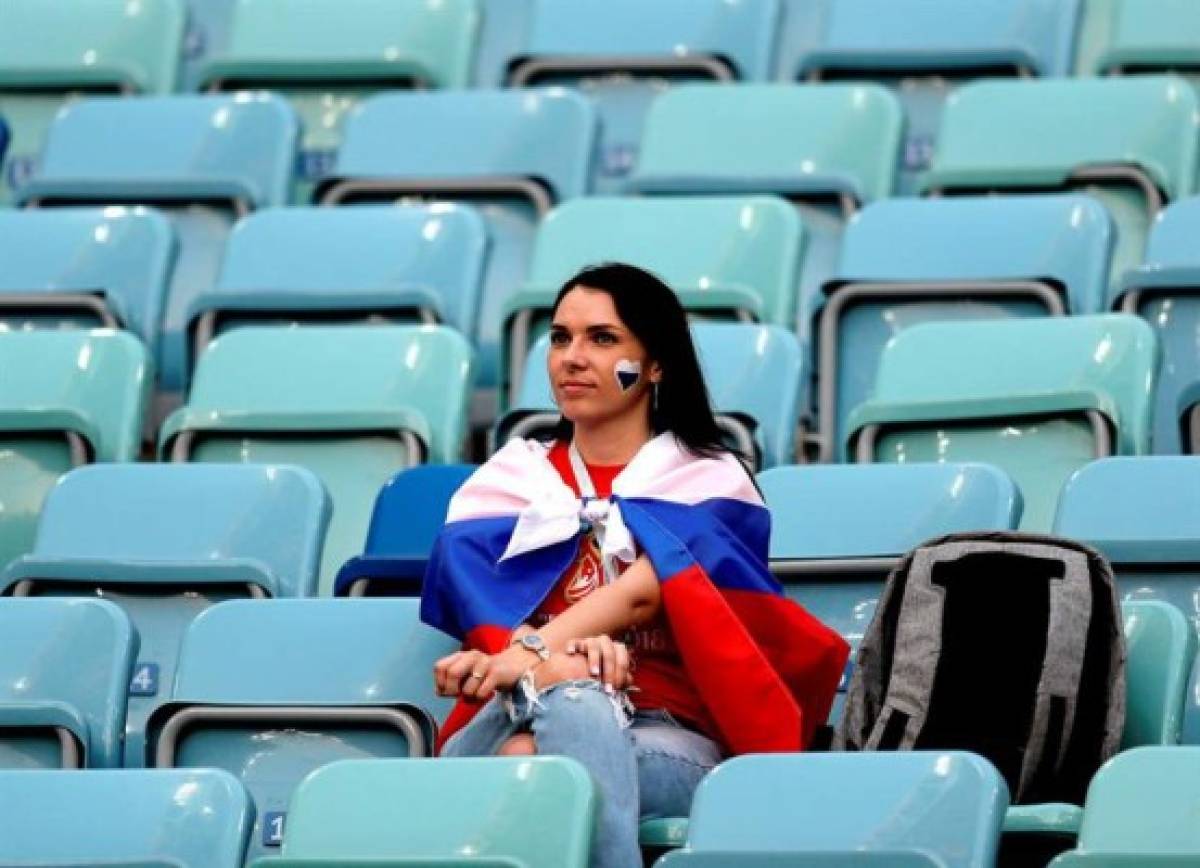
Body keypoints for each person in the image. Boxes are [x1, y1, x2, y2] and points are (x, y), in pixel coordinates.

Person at [421, 263, 848, 868]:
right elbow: (484, 615)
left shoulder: (708, 477)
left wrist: (541, 657)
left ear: (655, 364)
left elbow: (646, 593)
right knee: (560, 706)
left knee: (545, 738)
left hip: (668, 735)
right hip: (514, 712)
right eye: (561, 337)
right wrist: (554, 666)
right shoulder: (505, 483)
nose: (573, 356)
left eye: (602, 338)